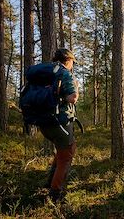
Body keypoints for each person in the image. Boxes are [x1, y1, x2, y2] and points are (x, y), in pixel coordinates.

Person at [40, 48, 79, 201]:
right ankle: (55, 194)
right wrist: (75, 89)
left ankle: (50, 181)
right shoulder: (64, 73)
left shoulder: (46, 73)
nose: (72, 66)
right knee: (66, 156)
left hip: (44, 122)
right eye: (72, 62)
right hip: (59, 122)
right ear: (68, 60)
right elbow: (72, 98)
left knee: (62, 151)